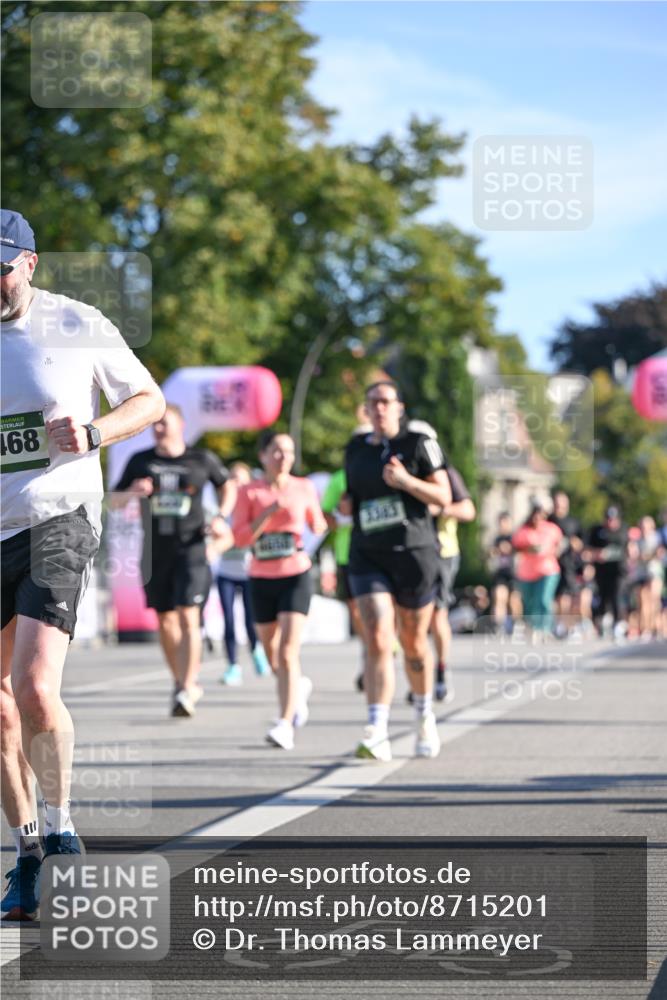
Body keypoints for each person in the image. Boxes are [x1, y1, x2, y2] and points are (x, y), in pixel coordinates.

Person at [1, 209, 164, 920]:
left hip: (58, 517)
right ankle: (29, 852)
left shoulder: (75, 322)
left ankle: (62, 827)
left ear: (30, 264)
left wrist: (95, 432)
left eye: (1, 267)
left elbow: (149, 400)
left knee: (33, 685)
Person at [344, 380, 452, 761]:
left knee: (414, 644)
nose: (379, 408)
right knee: (376, 635)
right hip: (368, 553)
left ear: (399, 407)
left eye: (386, 401)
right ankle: (376, 729)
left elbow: (444, 496)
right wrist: (344, 507)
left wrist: (407, 482)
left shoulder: (419, 443)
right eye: (372, 402)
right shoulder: (355, 449)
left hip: (414, 554)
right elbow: (354, 499)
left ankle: (424, 715)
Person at [113, 403, 230, 717]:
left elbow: (227, 485)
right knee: (165, 620)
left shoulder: (201, 459)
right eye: (155, 424)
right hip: (153, 553)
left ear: (181, 424)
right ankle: (180, 681)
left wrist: (221, 516)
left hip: (191, 550)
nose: (159, 428)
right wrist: (132, 493)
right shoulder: (141, 461)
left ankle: (186, 686)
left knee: (189, 615)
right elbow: (112, 500)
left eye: (164, 422)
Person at [232, 430, 327, 750]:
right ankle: (297, 688)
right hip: (260, 577)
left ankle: (285, 723)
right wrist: (267, 514)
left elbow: (317, 523)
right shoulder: (249, 491)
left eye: (288, 451)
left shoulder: (304, 487)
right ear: (263, 456)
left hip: (296, 574)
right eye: (276, 451)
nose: (283, 457)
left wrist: (324, 523)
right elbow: (241, 538)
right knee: (273, 655)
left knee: (288, 651)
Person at [210, 461, 270, 685]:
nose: (236, 483)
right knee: (228, 620)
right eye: (232, 478)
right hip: (226, 571)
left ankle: (257, 651)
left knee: (250, 619)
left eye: (241, 478)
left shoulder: (253, 507)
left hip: (248, 571)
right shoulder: (222, 508)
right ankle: (233, 666)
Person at [429, 465, 476, 701]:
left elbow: (468, 510)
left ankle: (441, 669)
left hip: (441, 553)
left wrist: (440, 507)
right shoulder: (396, 472)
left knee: (437, 614)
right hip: (405, 553)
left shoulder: (445, 473)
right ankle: (417, 676)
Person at [321, 464, 368, 692]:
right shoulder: (339, 478)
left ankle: (384, 645)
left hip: (378, 551)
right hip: (346, 553)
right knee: (357, 612)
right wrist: (340, 519)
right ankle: (368, 655)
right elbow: (325, 512)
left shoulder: (384, 471)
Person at [511, 501, 563, 640]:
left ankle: (544, 629)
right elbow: (514, 547)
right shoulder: (523, 530)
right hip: (527, 573)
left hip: (548, 570)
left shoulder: (552, 529)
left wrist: (554, 551)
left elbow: (560, 545)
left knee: (544, 599)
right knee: (529, 602)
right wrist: (528, 549)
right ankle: (533, 627)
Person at [587, 506, 628, 637]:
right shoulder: (597, 531)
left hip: (618, 571)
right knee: (603, 597)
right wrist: (596, 554)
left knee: (616, 596)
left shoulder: (623, 531)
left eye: (613, 519)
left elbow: (629, 549)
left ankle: (618, 623)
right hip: (601, 571)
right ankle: (602, 623)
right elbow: (587, 550)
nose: (611, 522)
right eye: (608, 519)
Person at [548, 490, 584, 637]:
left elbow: (582, 544)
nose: (559, 507)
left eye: (562, 504)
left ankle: (566, 625)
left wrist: (575, 543)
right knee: (554, 597)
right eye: (557, 504)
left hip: (568, 564)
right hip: (550, 564)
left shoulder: (573, 522)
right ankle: (557, 624)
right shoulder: (548, 521)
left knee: (567, 597)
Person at [489, 512, 522, 634]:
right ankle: (498, 625)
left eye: (504, 522)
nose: (502, 525)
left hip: (514, 573)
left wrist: (510, 549)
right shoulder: (496, 539)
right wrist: (496, 551)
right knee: (499, 596)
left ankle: (516, 623)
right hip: (501, 573)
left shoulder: (515, 537)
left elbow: (521, 551)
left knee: (514, 601)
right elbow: (491, 553)